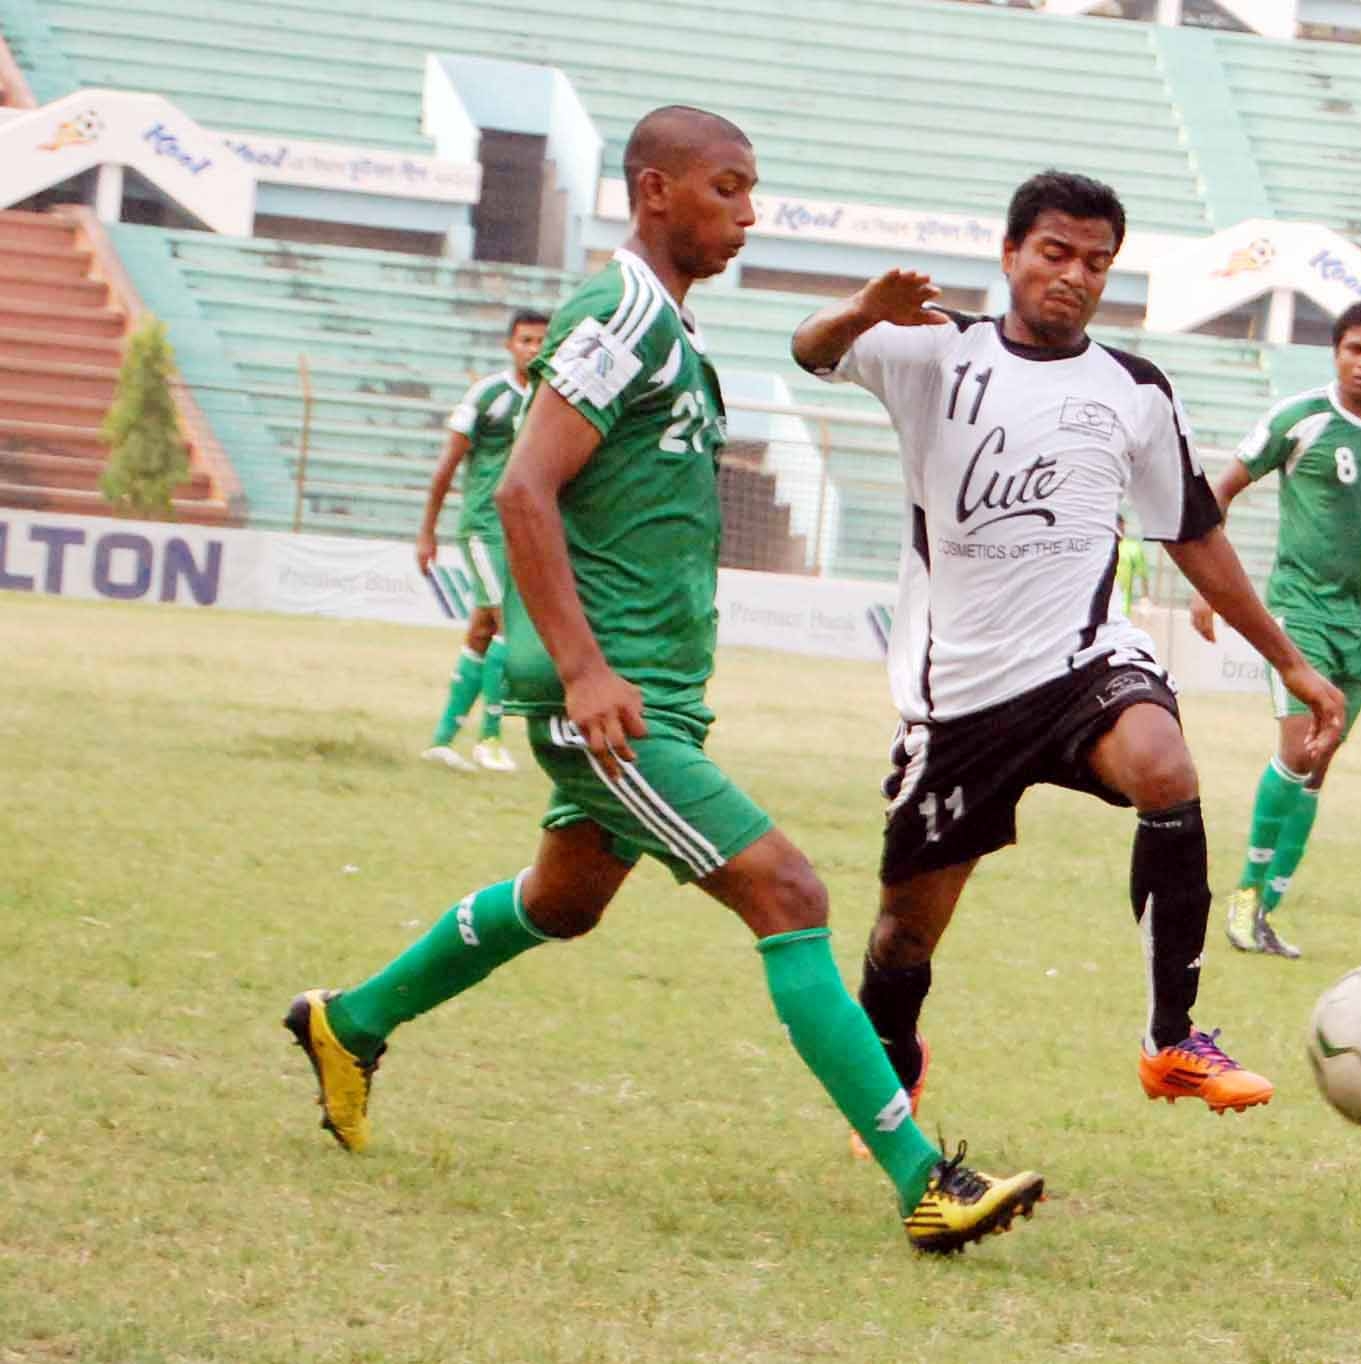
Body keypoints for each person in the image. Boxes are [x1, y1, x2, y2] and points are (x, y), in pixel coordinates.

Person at [285, 106, 1045, 1255]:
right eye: (727, 188)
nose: (748, 212)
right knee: (789, 892)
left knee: (563, 901)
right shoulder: (622, 311)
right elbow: (522, 490)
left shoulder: (670, 328)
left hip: (649, 693)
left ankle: (349, 1021)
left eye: (752, 191)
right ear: (654, 191)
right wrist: (586, 669)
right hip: (607, 700)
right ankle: (919, 1177)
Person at [790, 171, 1344, 1154]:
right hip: (956, 698)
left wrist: (1291, 664)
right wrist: (857, 311)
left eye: (1095, 262)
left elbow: (1193, 532)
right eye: (1054, 253)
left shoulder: (1130, 391)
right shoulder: (929, 348)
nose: (1074, 276)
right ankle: (892, 1054)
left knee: (1166, 769)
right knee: (901, 936)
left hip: (1085, 664)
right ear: (1009, 255)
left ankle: (1170, 1039)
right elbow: (809, 349)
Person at [1192, 300, 1361, 960]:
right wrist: (1207, 585)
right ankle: (1245, 895)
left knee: (1320, 763)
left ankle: (1267, 909)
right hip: (1299, 614)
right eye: (1354, 349)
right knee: (1300, 749)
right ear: (1335, 353)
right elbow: (1219, 492)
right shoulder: (1298, 418)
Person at [417, 309, 550, 774]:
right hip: (484, 528)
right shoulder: (489, 395)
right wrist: (427, 530)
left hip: (523, 531)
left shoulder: (548, 400)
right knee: (509, 629)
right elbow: (447, 466)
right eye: (526, 340)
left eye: (541, 341)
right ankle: (489, 740)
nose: (533, 349)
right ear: (509, 345)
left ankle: (441, 741)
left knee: (481, 631)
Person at [1115, 512, 1150, 616]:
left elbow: (1143, 574)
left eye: (1121, 525)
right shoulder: (1101, 547)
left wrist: (1145, 598)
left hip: (1122, 604)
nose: (1120, 528)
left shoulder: (1132, 548)